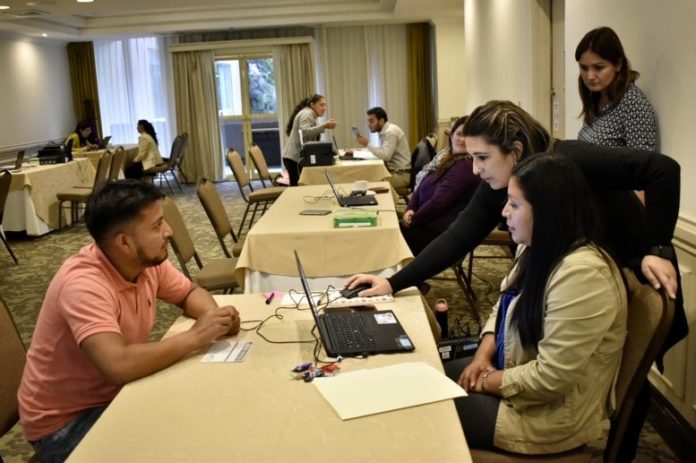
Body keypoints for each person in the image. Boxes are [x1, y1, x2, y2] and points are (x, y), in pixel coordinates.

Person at [346, 100, 686, 462]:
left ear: (516, 152)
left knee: (625, 379)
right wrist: (393, 283)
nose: (475, 169)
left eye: (482, 157)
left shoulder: (570, 166)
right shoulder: (531, 220)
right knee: (429, 383)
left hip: (637, 266)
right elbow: (462, 239)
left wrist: (657, 247)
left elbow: (662, 170)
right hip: (579, 285)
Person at [18, 180, 241, 462]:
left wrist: (214, 318)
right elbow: (118, 366)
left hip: (116, 393)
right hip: (65, 422)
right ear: (124, 242)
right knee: (183, 441)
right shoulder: (83, 284)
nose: (169, 231)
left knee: (203, 410)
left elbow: (189, 292)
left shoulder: (145, 262)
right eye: (157, 226)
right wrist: (196, 336)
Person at [445, 154, 627, 453]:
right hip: (512, 371)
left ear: (548, 212)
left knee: (429, 410)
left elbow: (551, 378)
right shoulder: (534, 246)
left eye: (515, 204)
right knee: (428, 374)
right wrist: (481, 357)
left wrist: (486, 379)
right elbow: (503, 305)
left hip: (547, 416)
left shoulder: (584, 275)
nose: (504, 212)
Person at [401, 116, 480, 256]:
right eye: (459, 134)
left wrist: (414, 219)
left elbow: (438, 203)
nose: (462, 139)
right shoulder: (448, 158)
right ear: (452, 135)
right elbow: (423, 183)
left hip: (440, 236)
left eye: (469, 136)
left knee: (385, 237)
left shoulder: (466, 166)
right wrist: (410, 208)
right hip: (426, 224)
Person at [576, 26, 658, 152]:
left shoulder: (633, 103)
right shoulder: (595, 96)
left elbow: (643, 161)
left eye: (598, 68)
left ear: (618, 64)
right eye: (584, 68)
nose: (590, 76)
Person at [282, 94, 337, 186]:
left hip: (296, 157)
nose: (324, 108)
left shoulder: (311, 115)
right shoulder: (306, 114)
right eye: (321, 105)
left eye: (325, 105)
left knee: (300, 187)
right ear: (312, 105)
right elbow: (304, 132)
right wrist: (324, 126)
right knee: (297, 188)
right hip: (294, 158)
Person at [355, 107, 411, 190]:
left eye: (371, 121)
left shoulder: (390, 132)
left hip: (401, 176)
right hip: (394, 172)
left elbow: (385, 156)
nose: (369, 124)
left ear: (381, 121)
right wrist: (357, 153)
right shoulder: (385, 131)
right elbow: (382, 152)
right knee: (365, 177)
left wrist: (367, 144)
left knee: (368, 183)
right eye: (368, 121)